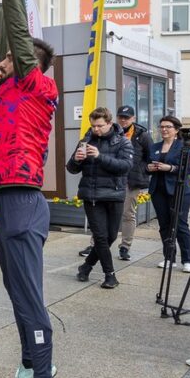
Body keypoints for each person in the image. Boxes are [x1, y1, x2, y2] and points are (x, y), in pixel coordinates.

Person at [0, 0, 71, 378]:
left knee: (29, 299)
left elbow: (17, 38)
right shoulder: (13, 84)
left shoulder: (38, 87)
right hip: (7, 201)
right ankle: (30, 366)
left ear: (26, 63)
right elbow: (7, 40)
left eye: (9, 58)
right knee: (16, 292)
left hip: (21, 201)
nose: (0, 62)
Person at [67, 107, 133, 289]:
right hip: (92, 196)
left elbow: (126, 166)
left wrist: (99, 156)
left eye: (100, 126)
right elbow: (71, 168)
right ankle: (110, 275)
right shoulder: (85, 141)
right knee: (101, 237)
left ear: (110, 123)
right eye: (93, 125)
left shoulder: (122, 142)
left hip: (115, 195)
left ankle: (86, 266)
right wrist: (77, 160)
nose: (96, 129)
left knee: (111, 236)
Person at [78, 105, 152, 261]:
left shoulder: (141, 135)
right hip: (106, 179)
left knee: (128, 214)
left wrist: (140, 170)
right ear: (115, 119)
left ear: (133, 119)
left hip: (130, 181)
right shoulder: (95, 134)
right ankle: (95, 245)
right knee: (100, 218)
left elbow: (149, 158)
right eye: (121, 117)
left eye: (127, 117)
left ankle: (125, 246)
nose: (123, 120)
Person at [148, 115, 190, 273]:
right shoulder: (155, 146)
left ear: (176, 130)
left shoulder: (185, 146)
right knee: (164, 225)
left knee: (180, 224)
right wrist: (149, 168)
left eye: (168, 127)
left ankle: (188, 260)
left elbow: (188, 169)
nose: (164, 129)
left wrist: (170, 168)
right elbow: (145, 164)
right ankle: (169, 258)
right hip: (158, 191)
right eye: (162, 127)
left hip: (179, 190)